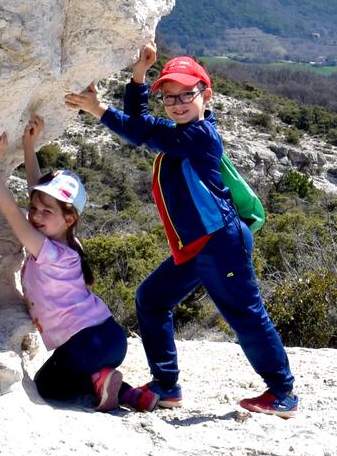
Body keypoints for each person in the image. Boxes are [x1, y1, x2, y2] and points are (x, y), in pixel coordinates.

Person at [65, 45, 299, 418]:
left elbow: (142, 135)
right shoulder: (179, 131)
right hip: (197, 245)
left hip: (221, 242)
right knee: (152, 300)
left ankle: (282, 392)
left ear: (206, 95)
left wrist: (100, 108)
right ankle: (166, 385)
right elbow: (140, 126)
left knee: (244, 314)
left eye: (187, 94)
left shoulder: (199, 136)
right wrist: (139, 76)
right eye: (170, 97)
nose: (177, 103)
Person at [0, 114, 156, 412]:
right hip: (109, 336)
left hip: (86, 344)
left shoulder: (45, 250)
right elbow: (38, 192)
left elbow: (11, 212)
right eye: (33, 209)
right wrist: (28, 145)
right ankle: (127, 393)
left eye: (45, 212)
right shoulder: (69, 243)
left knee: (48, 386)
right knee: (84, 373)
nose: (35, 215)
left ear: (69, 217)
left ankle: (102, 381)